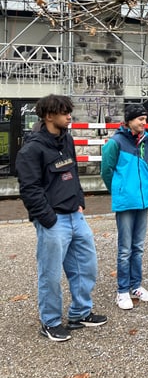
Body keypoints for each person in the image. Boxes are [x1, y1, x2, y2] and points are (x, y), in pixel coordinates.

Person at [15, 94, 107, 342]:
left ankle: (80, 314)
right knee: (51, 274)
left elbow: (72, 172)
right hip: (53, 220)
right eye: (64, 112)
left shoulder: (66, 139)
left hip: (75, 215)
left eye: (69, 111)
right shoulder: (31, 150)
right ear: (48, 116)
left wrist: (79, 202)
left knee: (85, 266)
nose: (69, 116)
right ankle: (51, 322)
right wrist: (48, 219)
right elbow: (29, 190)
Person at [101, 103, 148, 310]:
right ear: (129, 120)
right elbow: (106, 170)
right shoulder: (115, 142)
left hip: (142, 200)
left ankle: (136, 286)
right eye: (140, 119)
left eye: (145, 118)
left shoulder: (147, 140)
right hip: (126, 201)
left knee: (138, 248)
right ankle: (122, 290)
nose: (144, 122)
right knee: (125, 249)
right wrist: (119, 190)